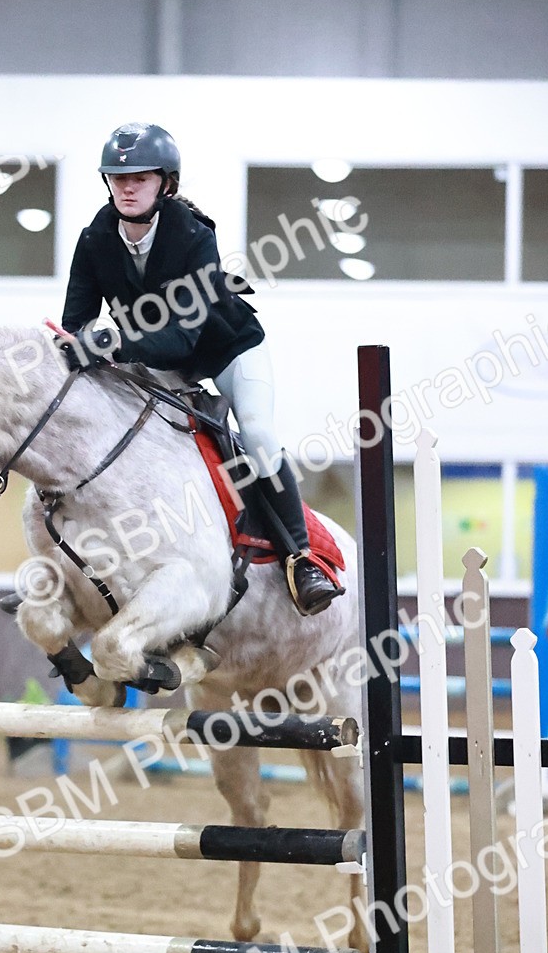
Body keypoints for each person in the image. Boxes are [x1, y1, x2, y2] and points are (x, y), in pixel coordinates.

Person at [60, 121, 342, 616]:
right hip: (155, 361)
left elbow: (182, 339)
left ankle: (302, 557)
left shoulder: (193, 237)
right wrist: (82, 344)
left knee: (255, 435)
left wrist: (115, 340)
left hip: (225, 350)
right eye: (118, 178)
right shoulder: (94, 240)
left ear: (165, 183)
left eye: (140, 178)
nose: (127, 188)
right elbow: (74, 324)